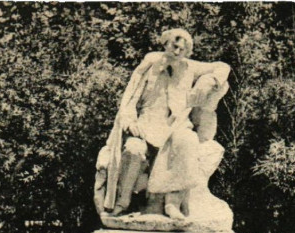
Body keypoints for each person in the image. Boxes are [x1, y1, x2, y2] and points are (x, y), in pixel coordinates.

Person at [95, 29, 230, 220]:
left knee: (187, 141)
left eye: (183, 49)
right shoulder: (151, 63)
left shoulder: (190, 67)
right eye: (174, 46)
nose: (177, 51)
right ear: (165, 44)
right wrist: (129, 119)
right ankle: (121, 203)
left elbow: (223, 66)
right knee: (133, 150)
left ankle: (172, 203)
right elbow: (130, 98)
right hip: (146, 126)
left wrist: (210, 80)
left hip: (176, 126)